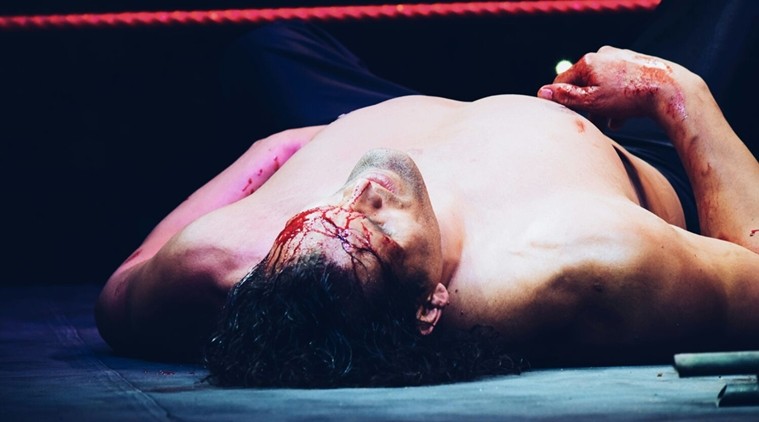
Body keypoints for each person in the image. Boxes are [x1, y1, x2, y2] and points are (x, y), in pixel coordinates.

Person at [95, 11, 759, 387]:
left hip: (365, 119)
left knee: (261, 48)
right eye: (374, 235)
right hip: (621, 138)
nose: (363, 192)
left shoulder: (223, 260)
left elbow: (120, 288)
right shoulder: (575, 255)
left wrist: (285, 148)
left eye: (326, 212)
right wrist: (675, 93)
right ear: (428, 307)